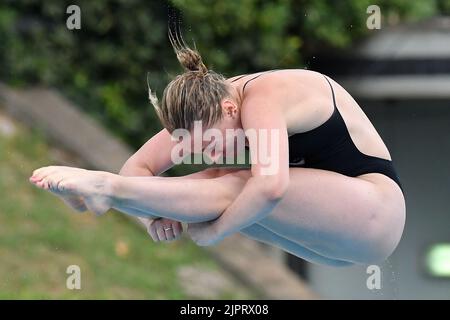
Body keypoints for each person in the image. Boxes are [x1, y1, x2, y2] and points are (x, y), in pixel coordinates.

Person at [29, 33, 405, 266]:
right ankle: (103, 197)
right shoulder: (204, 108)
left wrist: (219, 232)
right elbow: (140, 166)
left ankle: (104, 190)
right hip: (328, 238)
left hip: (375, 214)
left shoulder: (263, 97)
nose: (208, 154)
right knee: (215, 188)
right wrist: (154, 218)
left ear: (229, 109)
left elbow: (272, 187)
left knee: (234, 184)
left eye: (209, 142)